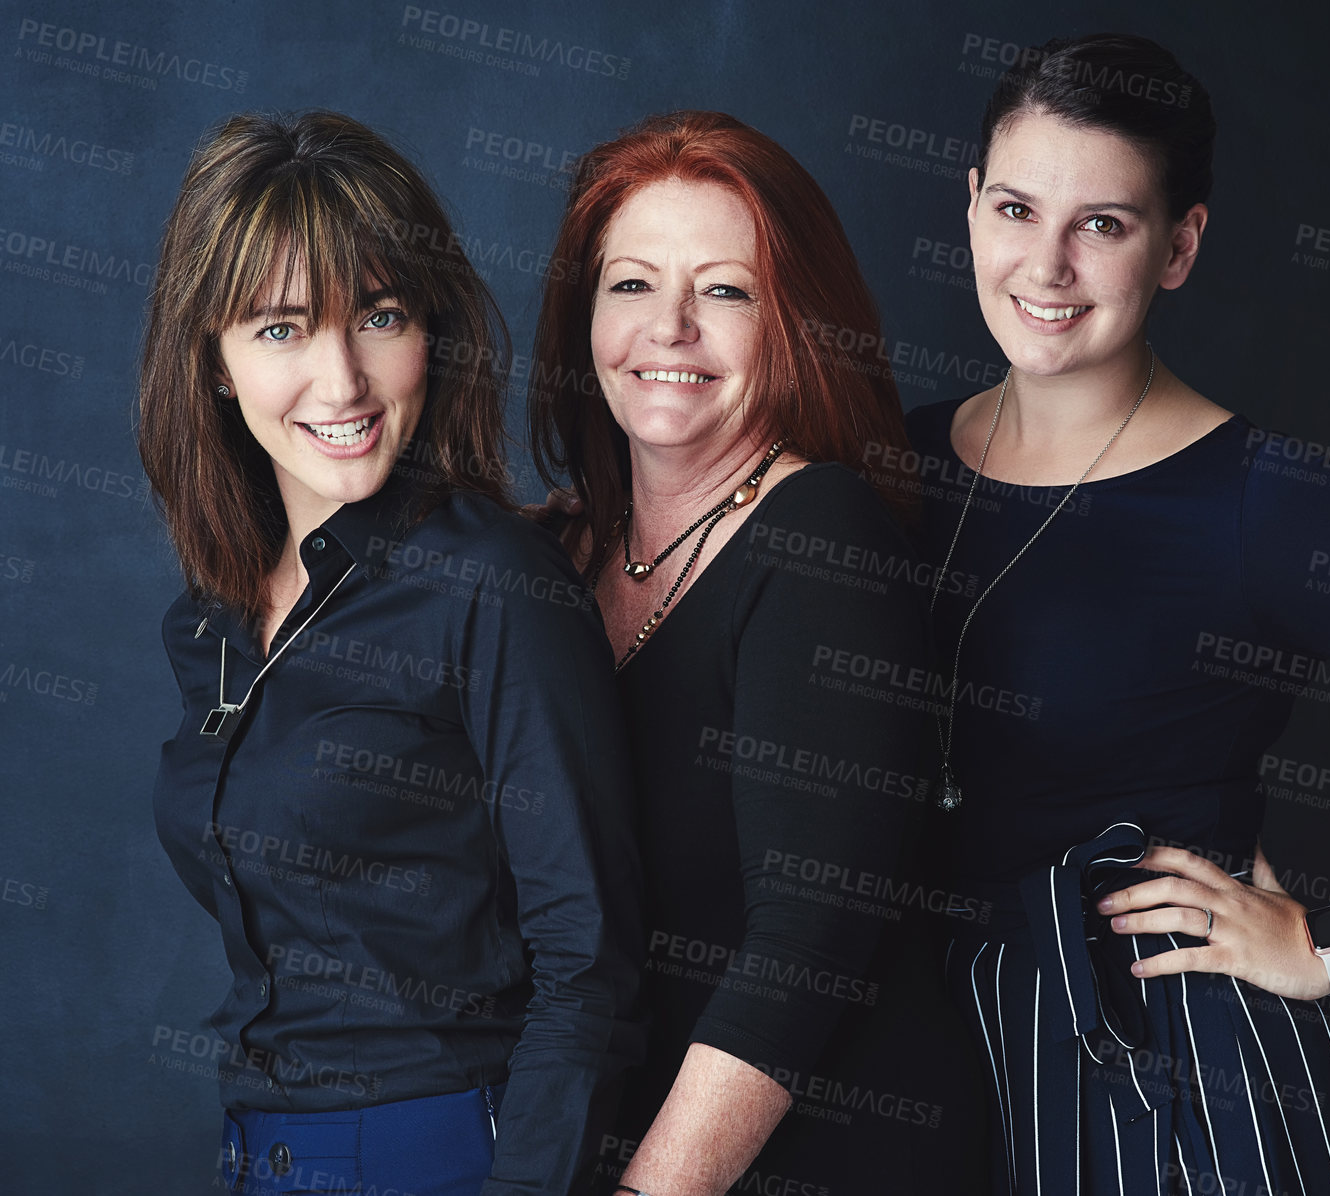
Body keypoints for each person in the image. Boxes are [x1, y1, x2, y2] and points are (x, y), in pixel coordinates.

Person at [903, 35, 1330, 1195]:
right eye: (1019, 208)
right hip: (931, 1045)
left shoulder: (1262, 496)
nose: (1048, 264)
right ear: (971, 203)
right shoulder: (891, 454)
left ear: (1179, 246)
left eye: (1106, 224)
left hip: (1167, 1073)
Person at [139, 110, 641, 1196]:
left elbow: (588, 960)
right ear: (215, 364)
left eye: (377, 316)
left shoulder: (494, 584)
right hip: (259, 1151)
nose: (342, 383)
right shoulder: (210, 619)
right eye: (279, 328)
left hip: (455, 1153)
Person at [527, 109, 987, 1195]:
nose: (670, 328)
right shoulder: (555, 552)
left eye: (725, 291)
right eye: (631, 284)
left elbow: (809, 936)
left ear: (795, 324)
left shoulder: (823, 537)